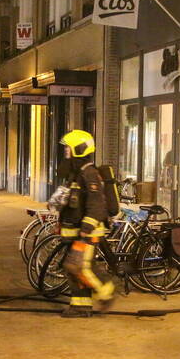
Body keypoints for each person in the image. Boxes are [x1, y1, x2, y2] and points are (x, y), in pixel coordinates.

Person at [57, 129, 116, 318]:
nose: (66, 151)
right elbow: (70, 203)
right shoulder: (76, 172)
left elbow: (97, 206)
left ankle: (107, 292)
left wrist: (86, 229)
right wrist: (60, 223)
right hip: (75, 230)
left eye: (68, 148)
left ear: (79, 149)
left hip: (88, 232)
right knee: (73, 270)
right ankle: (80, 306)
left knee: (81, 267)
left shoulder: (89, 174)